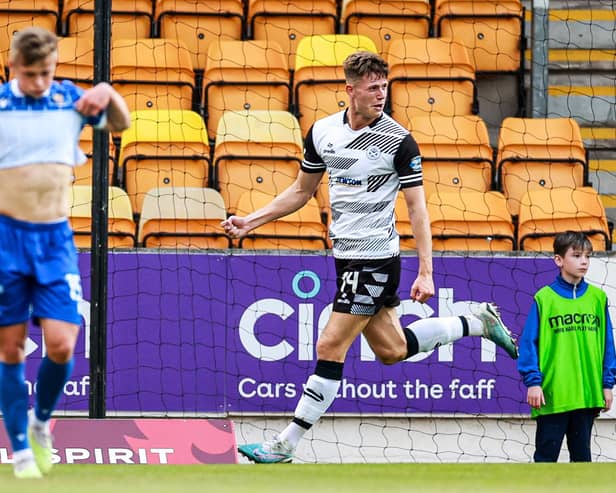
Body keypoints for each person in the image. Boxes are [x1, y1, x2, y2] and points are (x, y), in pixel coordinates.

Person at [222, 51, 518, 464]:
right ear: (350, 90)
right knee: (392, 350)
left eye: (385, 87)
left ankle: (284, 445)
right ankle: (476, 321)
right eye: (373, 87)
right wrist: (250, 222)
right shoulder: (323, 132)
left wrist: (426, 272)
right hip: (345, 257)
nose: (381, 94)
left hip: (376, 258)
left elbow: (418, 209)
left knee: (329, 344)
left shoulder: (398, 141)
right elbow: (300, 191)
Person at [0, 27, 131, 478]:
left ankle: (40, 422)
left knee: (62, 343)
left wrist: (107, 92)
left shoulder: (69, 100)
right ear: (13, 67)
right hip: (5, 240)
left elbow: (121, 125)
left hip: (54, 238)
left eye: (47, 73)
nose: (40, 82)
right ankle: (19, 452)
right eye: (31, 74)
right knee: (11, 348)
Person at [518, 231, 616, 462]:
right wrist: (534, 382)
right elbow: (529, 344)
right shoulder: (545, 298)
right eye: (577, 255)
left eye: (587, 256)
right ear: (559, 260)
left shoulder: (597, 298)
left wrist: (607, 384)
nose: (584, 261)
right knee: (545, 459)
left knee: (582, 460)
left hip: (587, 394)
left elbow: (608, 345)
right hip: (553, 394)